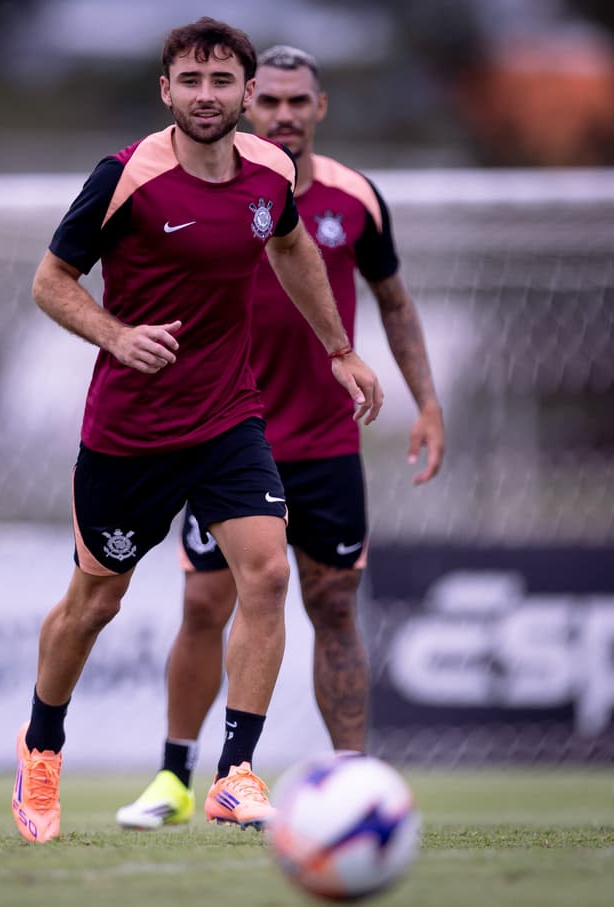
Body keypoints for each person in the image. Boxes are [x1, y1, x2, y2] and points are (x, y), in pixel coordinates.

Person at [13, 20, 384, 843]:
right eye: (190, 80)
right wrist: (114, 334)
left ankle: (234, 773)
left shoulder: (269, 170)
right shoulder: (126, 177)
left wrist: (340, 351)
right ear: (166, 91)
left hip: (228, 418)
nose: (206, 96)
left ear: (246, 94)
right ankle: (41, 747)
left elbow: (291, 248)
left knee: (266, 573)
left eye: (222, 82)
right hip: (130, 432)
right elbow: (50, 280)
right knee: (94, 600)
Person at [116, 45, 444, 830]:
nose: (286, 116)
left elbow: (393, 302)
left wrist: (426, 403)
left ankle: (354, 784)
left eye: (302, 102)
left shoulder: (354, 199)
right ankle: (174, 776)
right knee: (205, 599)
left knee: (334, 603)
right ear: (250, 104)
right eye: (274, 103)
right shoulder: (204, 188)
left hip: (327, 439)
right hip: (225, 432)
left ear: (319, 109)